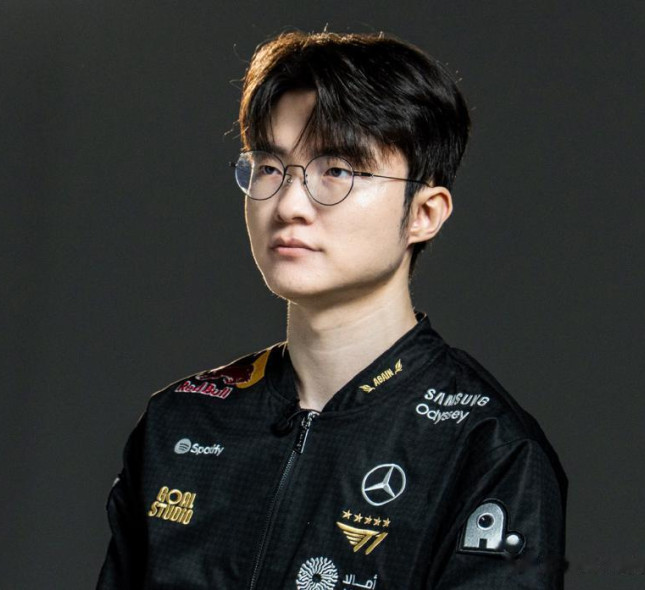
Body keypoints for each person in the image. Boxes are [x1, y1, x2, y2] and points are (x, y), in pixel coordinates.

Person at [97, 30, 567, 589]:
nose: (289, 205)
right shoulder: (181, 420)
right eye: (269, 167)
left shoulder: (488, 449)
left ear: (424, 213)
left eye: (337, 170)